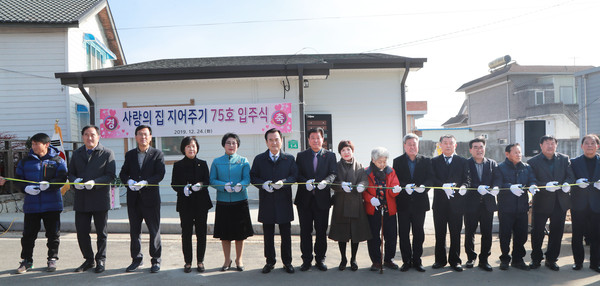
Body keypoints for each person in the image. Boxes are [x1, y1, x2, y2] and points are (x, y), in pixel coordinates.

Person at [15, 133, 67, 274]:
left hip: (52, 205)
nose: (34, 146)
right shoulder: (25, 161)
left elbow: (62, 178)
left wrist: (50, 185)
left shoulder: (57, 161)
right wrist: (25, 188)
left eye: (37, 143)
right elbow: (17, 179)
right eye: (33, 144)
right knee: (28, 235)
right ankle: (27, 260)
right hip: (32, 205)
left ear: (46, 144)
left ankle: (52, 259)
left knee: (53, 234)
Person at [68, 125, 116, 273]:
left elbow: (110, 175)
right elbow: (70, 173)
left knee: (101, 232)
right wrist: (75, 181)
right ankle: (88, 260)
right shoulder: (77, 154)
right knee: (82, 231)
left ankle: (100, 260)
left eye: (93, 134)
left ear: (98, 136)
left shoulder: (107, 153)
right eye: (86, 135)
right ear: (82, 137)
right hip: (81, 198)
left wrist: (95, 183)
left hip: (100, 198)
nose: (90, 138)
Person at [119, 125, 165, 273]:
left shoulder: (157, 154)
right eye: (140, 134)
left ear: (150, 137)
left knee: (154, 230)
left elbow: (160, 174)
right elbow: (123, 173)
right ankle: (136, 259)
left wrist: (146, 182)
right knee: (134, 231)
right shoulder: (130, 154)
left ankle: (156, 260)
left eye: (146, 134)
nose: (143, 137)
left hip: (150, 199)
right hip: (133, 199)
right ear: (136, 137)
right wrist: (129, 182)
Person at [250, 128, 297, 274]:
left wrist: (284, 182)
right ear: (266, 142)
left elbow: (294, 176)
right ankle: (269, 262)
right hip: (267, 201)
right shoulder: (259, 159)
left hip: (283, 201)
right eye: (270, 140)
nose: (274, 142)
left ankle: (287, 262)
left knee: (286, 234)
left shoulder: (289, 158)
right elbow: (253, 177)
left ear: (281, 141)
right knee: (268, 235)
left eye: (277, 139)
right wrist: (263, 184)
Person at [527, 135, 574, 271]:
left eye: (552, 143)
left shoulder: (564, 159)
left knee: (557, 232)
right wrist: (544, 185)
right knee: (537, 232)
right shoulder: (533, 162)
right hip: (542, 202)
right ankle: (536, 258)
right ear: (541, 146)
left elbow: (571, 175)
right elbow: (531, 180)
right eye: (547, 143)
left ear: (556, 145)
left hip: (560, 202)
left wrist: (567, 183)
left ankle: (551, 259)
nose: (550, 146)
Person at [295, 127, 337, 271]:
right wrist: (304, 181)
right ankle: (306, 260)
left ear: (323, 139)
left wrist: (326, 182)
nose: (315, 140)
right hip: (304, 200)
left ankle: (320, 259)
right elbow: (297, 174)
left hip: (322, 199)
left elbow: (333, 173)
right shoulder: (301, 156)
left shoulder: (330, 156)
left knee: (321, 231)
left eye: (318, 137)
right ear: (308, 140)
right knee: (305, 231)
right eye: (312, 137)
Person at [210, 133, 253, 271]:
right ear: (224, 145)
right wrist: (223, 186)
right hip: (223, 202)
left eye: (234, 143)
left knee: (240, 234)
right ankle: (227, 260)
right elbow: (212, 180)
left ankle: (239, 259)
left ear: (238, 145)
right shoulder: (217, 161)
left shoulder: (243, 161)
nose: (231, 145)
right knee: (225, 234)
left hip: (240, 201)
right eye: (228, 143)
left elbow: (247, 179)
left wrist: (241, 184)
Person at [392, 133, 433, 272]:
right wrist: (404, 187)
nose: (412, 147)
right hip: (403, 203)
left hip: (419, 203)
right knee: (403, 233)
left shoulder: (426, 160)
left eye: (414, 144)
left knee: (418, 233)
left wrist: (424, 188)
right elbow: (395, 180)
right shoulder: (397, 161)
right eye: (409, 144)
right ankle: (406, 261)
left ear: (418, 145)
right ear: (404, 146)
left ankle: (417, 261)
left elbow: (430, 178)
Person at [170, 136, 212, 273]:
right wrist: (183, 189)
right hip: (185, 204)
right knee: (186, 233)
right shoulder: (178, 165)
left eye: (193, 146)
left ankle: (200, 261)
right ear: (183, 148)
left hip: (201, 204)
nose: (191, 149)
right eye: (188, 146)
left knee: (201, 233)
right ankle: (187, 262)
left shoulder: (203, 163)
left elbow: (207, 181)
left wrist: (200, 185)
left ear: (197, 148)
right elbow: (174, 184)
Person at [328, 140, 371, 271]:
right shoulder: (336, 166)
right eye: (343, 150)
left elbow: (365, 179)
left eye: (348, 149)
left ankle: (353, 259)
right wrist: (341, 185)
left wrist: (362, 186)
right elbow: (332, 181)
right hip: (341, 202)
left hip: (355, 203)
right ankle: (343, 259)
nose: (346, 152)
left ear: (352, 151)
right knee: (342, 232)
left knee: (355, 232)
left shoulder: (359, 165)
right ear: (340, 152)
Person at [494, 143, 536, 271]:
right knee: (505, 235)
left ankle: (518, 259)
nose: (519, 155)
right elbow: (498, 183)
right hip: (506, 208)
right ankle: (505, 259)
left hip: (522, 207)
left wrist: (533, 185)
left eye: (520, 152)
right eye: (516, 152)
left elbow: (531, 179)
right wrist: (509, 186)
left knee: (522, 235)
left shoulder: (526, 167)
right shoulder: (500, 167)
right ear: (507, 154)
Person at [431, 134, 470, 272]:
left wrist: (464, 186)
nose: (448, 145)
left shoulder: (462, 161)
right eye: (445, 143)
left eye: (451, 143)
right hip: (440, 204)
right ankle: (440, 260)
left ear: (455, 145)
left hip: (457, 204)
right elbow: (431, 179)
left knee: (455, 233)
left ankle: (455, 261)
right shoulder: (434, 161)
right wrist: (443, 185)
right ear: (440, 145)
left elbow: (467, 178)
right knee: (439, 233)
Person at [463, 137, 498, 272]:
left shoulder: (492, 163)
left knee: (487, 233)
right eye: (476, 147)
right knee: (469, 232)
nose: (479, 150)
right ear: (471, 150)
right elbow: (466, 179)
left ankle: (484, 259)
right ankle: (471, 257)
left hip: (487, 204)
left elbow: (497, 178)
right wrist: (478, 186)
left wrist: (495, 187)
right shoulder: (466, 163)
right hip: (470, 204)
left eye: (481, 147)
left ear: (485, 148)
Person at [363, 147, 401, 271]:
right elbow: (363, 190)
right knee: (374, 236)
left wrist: (396, 190)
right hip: (373, 208)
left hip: (388, 208)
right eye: (380, 161)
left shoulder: (391, 171)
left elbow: (395, 186)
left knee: (391, 235)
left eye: (385, 161)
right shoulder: (366, 172)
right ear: (373, 160)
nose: (383, 164)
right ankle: (376, 261)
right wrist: (370, 199)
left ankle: (389, 259)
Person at [570, 134, 600, 272]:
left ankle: (595, 263)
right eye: (586, 143)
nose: (589, 145)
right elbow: (569, 179)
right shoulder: (574, 162)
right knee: (577, 235)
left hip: (597, 205)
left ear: (597, 146)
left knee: (597, 235)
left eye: (593, 143)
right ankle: (578, 262)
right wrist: (576, 183)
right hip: (579, 204)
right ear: (581, 146)